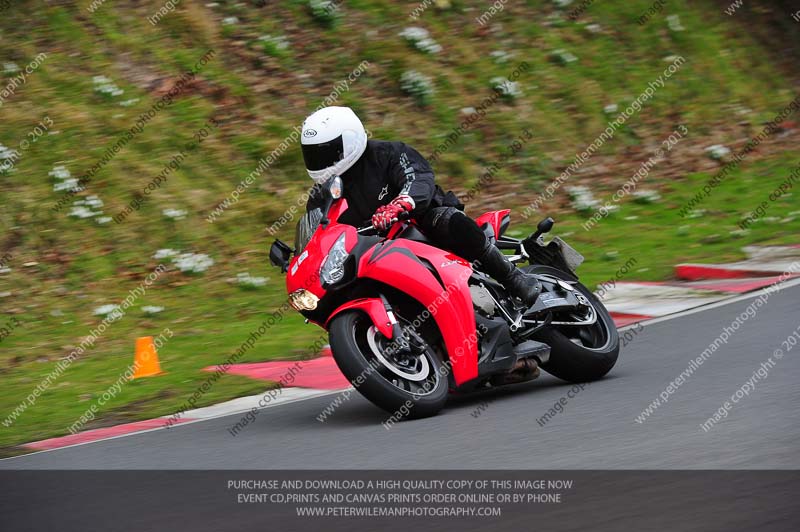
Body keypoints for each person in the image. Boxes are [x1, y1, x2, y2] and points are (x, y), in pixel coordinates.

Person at [301, 106, 539, 306]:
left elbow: (418, 177)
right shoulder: (322, 195)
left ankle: (513, 278)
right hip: (373, 251)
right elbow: (321, 233)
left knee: (448, 221)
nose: (319, 161)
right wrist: (301, 256)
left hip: (419, 224)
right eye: (312, 154)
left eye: (325, 152)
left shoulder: (386, 153)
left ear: (349, 139)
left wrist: (400, 203)